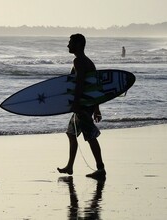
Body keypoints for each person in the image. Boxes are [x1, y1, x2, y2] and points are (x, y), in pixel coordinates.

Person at [57, 34, 106, 178]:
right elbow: (94, 86)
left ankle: (101, 169)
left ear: (78, 44)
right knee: (71, 133)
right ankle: (70, 167)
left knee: (90, 137)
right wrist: (96, 108)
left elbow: (79, 85)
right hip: (86, 104)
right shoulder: (88, 62)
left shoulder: (79, 61)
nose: (68, 45)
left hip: (82, 105)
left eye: (70, 42)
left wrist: (76, 104)